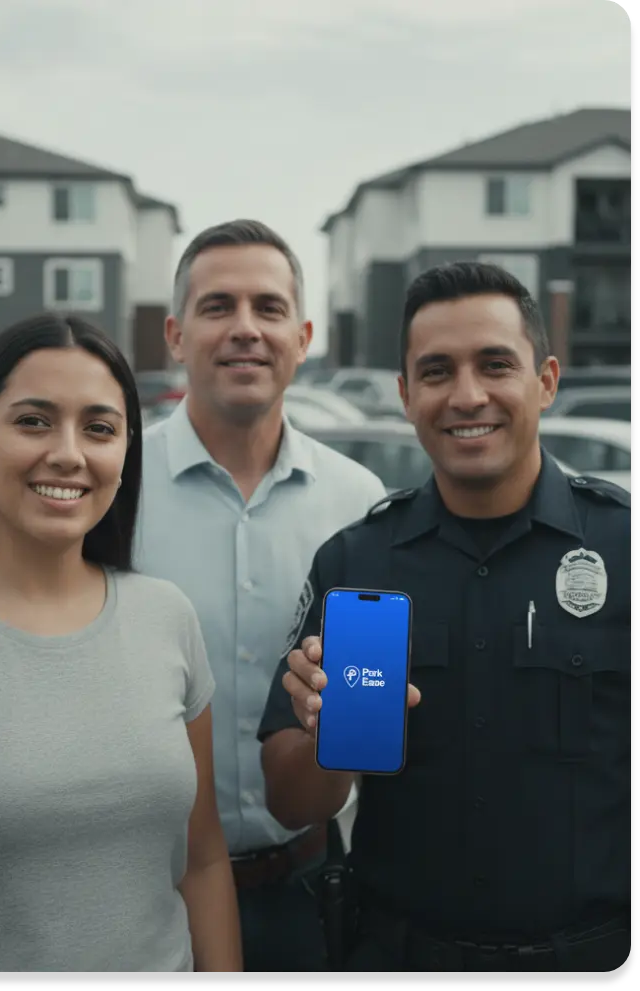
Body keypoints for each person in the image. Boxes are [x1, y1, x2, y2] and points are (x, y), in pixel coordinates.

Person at [258, 261, 630, 972]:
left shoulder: (621, 545)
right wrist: (321, 734)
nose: (467, 395)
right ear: (405, 394)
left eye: (495, 365)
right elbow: (291, 798)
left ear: (546, 380)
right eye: (436, 372)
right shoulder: (354, 562)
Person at [0, 314, 242, 973]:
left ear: (127, 452)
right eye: (34, 421)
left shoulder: (168, 617)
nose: (68, 453)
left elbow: (205, 860)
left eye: (99, 428)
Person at [135, 219, 387, 972]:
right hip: (145, 896)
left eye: (268, 308)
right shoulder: (112, 491)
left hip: (313, 890)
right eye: (219, 307)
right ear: (176, 335)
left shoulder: (360, 499)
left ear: (303, 335)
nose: (245, 329)